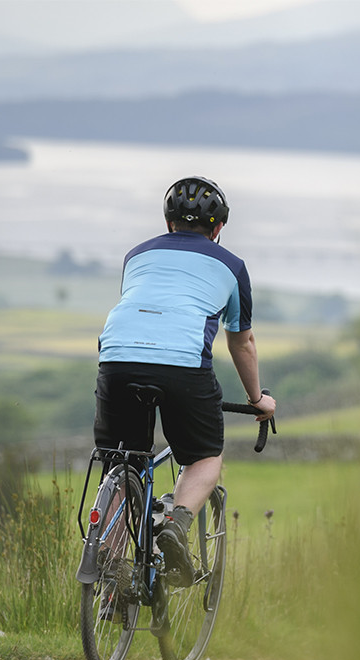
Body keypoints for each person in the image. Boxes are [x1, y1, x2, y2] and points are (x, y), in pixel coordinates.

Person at [94, 175, 276, 588]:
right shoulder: (231, 266)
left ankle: (106, 563)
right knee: (205, 456)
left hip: (117, 359)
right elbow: (242, 342)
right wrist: (257, 398)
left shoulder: (136, 255)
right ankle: (175, 524)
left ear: (169, 223)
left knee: (122, 460)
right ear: (218, 229)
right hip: (182, 366)